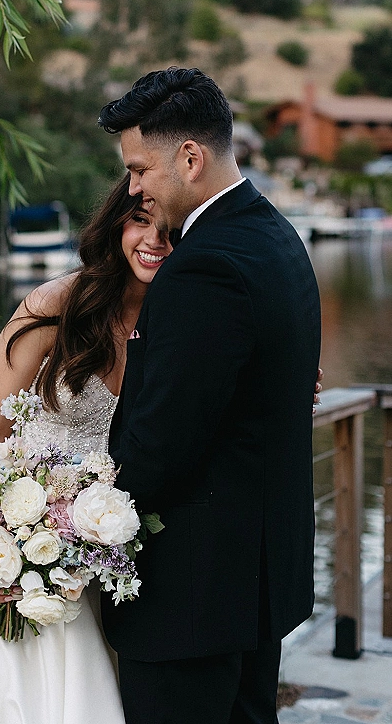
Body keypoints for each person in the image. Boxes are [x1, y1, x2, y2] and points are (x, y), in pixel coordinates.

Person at [0, 175, 172, 724]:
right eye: (141, 221)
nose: (155, 241)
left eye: (171, 230)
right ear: (116, 224)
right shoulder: (54, 305)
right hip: (13, 558)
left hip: (107, 560)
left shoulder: (182, 321)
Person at [97, 67, 322, 724]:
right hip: (253, 588)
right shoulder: (276, 238)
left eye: (139, 169)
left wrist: (87, 516)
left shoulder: (205, 267)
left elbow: (161, 447)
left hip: (191, 600)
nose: (133, 186)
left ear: (190, 158)